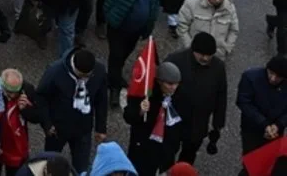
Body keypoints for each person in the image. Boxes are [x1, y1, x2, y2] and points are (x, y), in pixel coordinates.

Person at [36, 48, 108, 173]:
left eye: (88, 76)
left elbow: (101, 99)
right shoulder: (55, 71)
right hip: (58, 129)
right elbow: (41, 97)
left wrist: (100, 128)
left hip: (83, 128)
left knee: (81, 168)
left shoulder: (99, 71)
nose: (85, 79)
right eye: (82, 76)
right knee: (50, 164)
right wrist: (47, 124)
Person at [101, 0, 160, 104]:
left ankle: (114, 76)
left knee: (123, 55)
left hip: (136, 30)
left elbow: (154, 1)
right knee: (116, 55)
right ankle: (114, 89)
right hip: (118, 26)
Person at [165, 33, 226, 165]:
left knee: (188, 157)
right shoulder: (175, 60)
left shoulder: (218, 67)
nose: (205, 58)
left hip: (198, 123)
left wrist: (218, 124)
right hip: (174, 119)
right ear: (193, 50)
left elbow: (221, 96)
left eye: (209, 55)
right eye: (201, 54)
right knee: (167, 154)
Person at [0, 69, 47, 176]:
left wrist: (25, 109)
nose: (12, 96)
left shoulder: (27, 90)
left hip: (15, 145)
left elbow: (37, 118)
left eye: (15, 92)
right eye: (9, 92)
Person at [123, 61, 183, 175]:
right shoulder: (146, 94)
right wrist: (140, 111)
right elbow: (128, 116)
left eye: (177, 84)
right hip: (144, 149)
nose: (174, 87)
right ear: (159, 81)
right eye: (170, 84)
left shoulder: (179, 97)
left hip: (166, 150)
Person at [236, 55, 287, 155]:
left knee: (271, 159)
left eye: (278, 77)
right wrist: (264, 123)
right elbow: (244, 102)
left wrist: (279, 125)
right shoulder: (250, 77)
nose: (273, 78)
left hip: (276, 131)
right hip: (252, 129)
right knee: (251, 158)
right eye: (271, 73)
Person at [174, 0, 238, 57]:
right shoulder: (191, 4)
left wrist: (227, 48)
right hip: (193, 53)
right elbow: (182, 26)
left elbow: (233, 30)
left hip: (217, 55)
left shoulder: (230, 8)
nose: (217, 0)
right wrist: (190, 47)